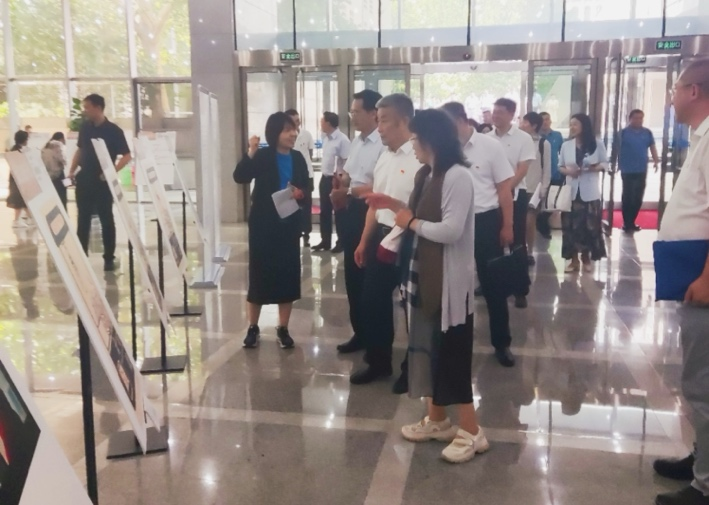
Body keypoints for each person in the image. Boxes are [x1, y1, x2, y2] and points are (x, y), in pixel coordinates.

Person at [367, 108, 487, 463]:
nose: (413, 144)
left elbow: (450, 230)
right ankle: (437, 420)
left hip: (448, 285)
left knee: (452, 355)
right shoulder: (427, 174)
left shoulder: (458, 177)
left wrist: (410, 222)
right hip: (421, 277)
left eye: (417, 139)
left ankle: (473, 432)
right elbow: (416, 215)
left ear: (431, 141)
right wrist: (393, 205)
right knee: (428, 350)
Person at [653, 59, 709, 505]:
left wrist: (707, 276)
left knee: (703, 382)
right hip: (689, 266)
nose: (671, 97)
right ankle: (700, 458)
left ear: (694, 91)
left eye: (675, 88)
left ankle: (705, 484)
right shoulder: (700, 137)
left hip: (703, 273)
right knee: (698, 377)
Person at [349, 93, 421, 386]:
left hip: (411, 239)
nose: (379, 128)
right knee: (372, 301)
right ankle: (378, 361)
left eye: (385, 121)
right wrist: (364, 242)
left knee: (412, 306)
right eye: (377, 121)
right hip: (382, 237)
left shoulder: (420, 158)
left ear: (404, 120)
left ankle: (412, 368)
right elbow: (374, 205)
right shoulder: (384, 157)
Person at [442, 102, 517, 368]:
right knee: (454, 285)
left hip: (485, 220)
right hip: (453, 222)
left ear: (462, 119)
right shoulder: (445, 148)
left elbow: (504, 189)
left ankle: (502, 343)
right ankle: (454, 342)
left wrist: (507, 226)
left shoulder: (490, 146)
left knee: (493, 285)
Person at [233, 112, 310, 350]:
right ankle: (253, 327)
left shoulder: (297, 157)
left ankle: (283, 328)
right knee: (260, 273)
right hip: (264, 225)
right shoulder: (264, 155)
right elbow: (240, 176)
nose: (293, 134)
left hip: (288, 225)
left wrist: (300, 193)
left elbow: (306, 186)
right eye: (287, 130)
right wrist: (251, 151)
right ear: (275, 132)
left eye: (294, 129)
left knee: (287, 275)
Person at [330, 89, 385, 355]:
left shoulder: (384, 144)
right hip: (351, 211)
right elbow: (350, 175)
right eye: (351, 112)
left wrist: (349, 190)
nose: (352, 116)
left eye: (356, 112)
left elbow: (382, 186)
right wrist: (341, 182)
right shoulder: (357, 142)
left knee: (371, 278)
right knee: (353, 275)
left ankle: (375, 338)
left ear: (374, 113)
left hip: (373, 212)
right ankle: (360, 333)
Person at [68, 94, 132, 272]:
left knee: (106, 218)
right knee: (83, 218)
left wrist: (112, 171)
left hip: (103, 181)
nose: (85, 111)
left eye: (87, 107)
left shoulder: (114, 131)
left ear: (98, 107)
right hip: (85, 179)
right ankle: (82, 255)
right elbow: (80, 150)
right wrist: (72, 170)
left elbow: (127, 155)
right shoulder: (85, 128)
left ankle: (109, 258)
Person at [488, 98, 535, 309]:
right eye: (494, 111)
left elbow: (523, 168)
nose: (495, 115)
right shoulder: (486, 138)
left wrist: (506, 189)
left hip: (516, 195)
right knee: (493, 242)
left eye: (499, 112)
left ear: (511, 114)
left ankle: (520, 289)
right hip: (490, 197)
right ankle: (494, 285)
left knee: (516, 242)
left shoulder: (523, 138)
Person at [558, 113, 608, 274]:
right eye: (571, 124)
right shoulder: (566, 145)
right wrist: (569, 172)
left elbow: (605, 163)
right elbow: (560, 166)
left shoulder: (596, 144)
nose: (572, 127)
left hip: (590, 192)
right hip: (571, 192)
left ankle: (586, 257)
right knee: (570, 227)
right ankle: (573, 260)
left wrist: (594, 168)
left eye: (575, 124)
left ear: (584, 126)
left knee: (589, 226)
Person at [611, 109, 660, 233]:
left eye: (640, 118)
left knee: (638, 196)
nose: (638, 120)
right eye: (635, 118)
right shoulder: (622, 133)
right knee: (628, 196)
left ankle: (632, 221)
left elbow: (652, 147)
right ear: (630, 119)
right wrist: (613, 164)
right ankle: (626, 222)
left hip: (641, 169)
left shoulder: (647, 133)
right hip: (627, 169)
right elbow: (615, 149)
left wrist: (656, 160)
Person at [313, 112, 350, 252]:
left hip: (337, 180)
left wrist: (341, 179)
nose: (320, 123)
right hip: (325, 178)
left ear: (328, 123)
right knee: (324, 211)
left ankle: (341, 242)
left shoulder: (343, 140)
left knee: (339, 212)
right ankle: (325, 241)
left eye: (322, 121)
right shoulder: (325, 138)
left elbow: (347, 161)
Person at [519, 112, 551, 266]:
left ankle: (529, 252)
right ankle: (518, 250)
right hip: (517, 187)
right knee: (517, 222)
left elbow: (547, 169)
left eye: (525, 122)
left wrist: (544, 188)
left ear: (534, 126)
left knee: (529, 222)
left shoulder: (543, 144)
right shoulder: (517, 141)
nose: (522, 124)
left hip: (534, 189)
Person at [285, 109, 315, 247]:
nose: (297, 123)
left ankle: (306, 234)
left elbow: (310, 153)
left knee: (306, 206)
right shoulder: (285, 136)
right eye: (293, 121)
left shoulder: (306, 135)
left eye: (298, 120)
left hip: (306, 175)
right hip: (290, 177)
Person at [537, 112, 565, 239]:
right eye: (542, 120)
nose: (545, 122)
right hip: (540, 175)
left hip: (555, 174)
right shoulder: (536, 137)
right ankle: (543, 228)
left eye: (547, 119)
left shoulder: (557, 136)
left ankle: (541, 222)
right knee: (539, 202)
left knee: (553, 203)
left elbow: (562, 153)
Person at [7, 130, 30, 228]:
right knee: (19, 200)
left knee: (23, 200)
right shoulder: (18, 151)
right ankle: (16, 221)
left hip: (18, 178)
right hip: (18, 179)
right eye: (27, 139)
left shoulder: (15, 149)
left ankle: (29, 218)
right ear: (24, 140)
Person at [42, 131, 68, 209]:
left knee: (52, 198)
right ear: (61, 139)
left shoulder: (45, 147)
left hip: (48, 176)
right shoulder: (57, 146)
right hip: (58, 175)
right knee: (62, 196)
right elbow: (62, 160)